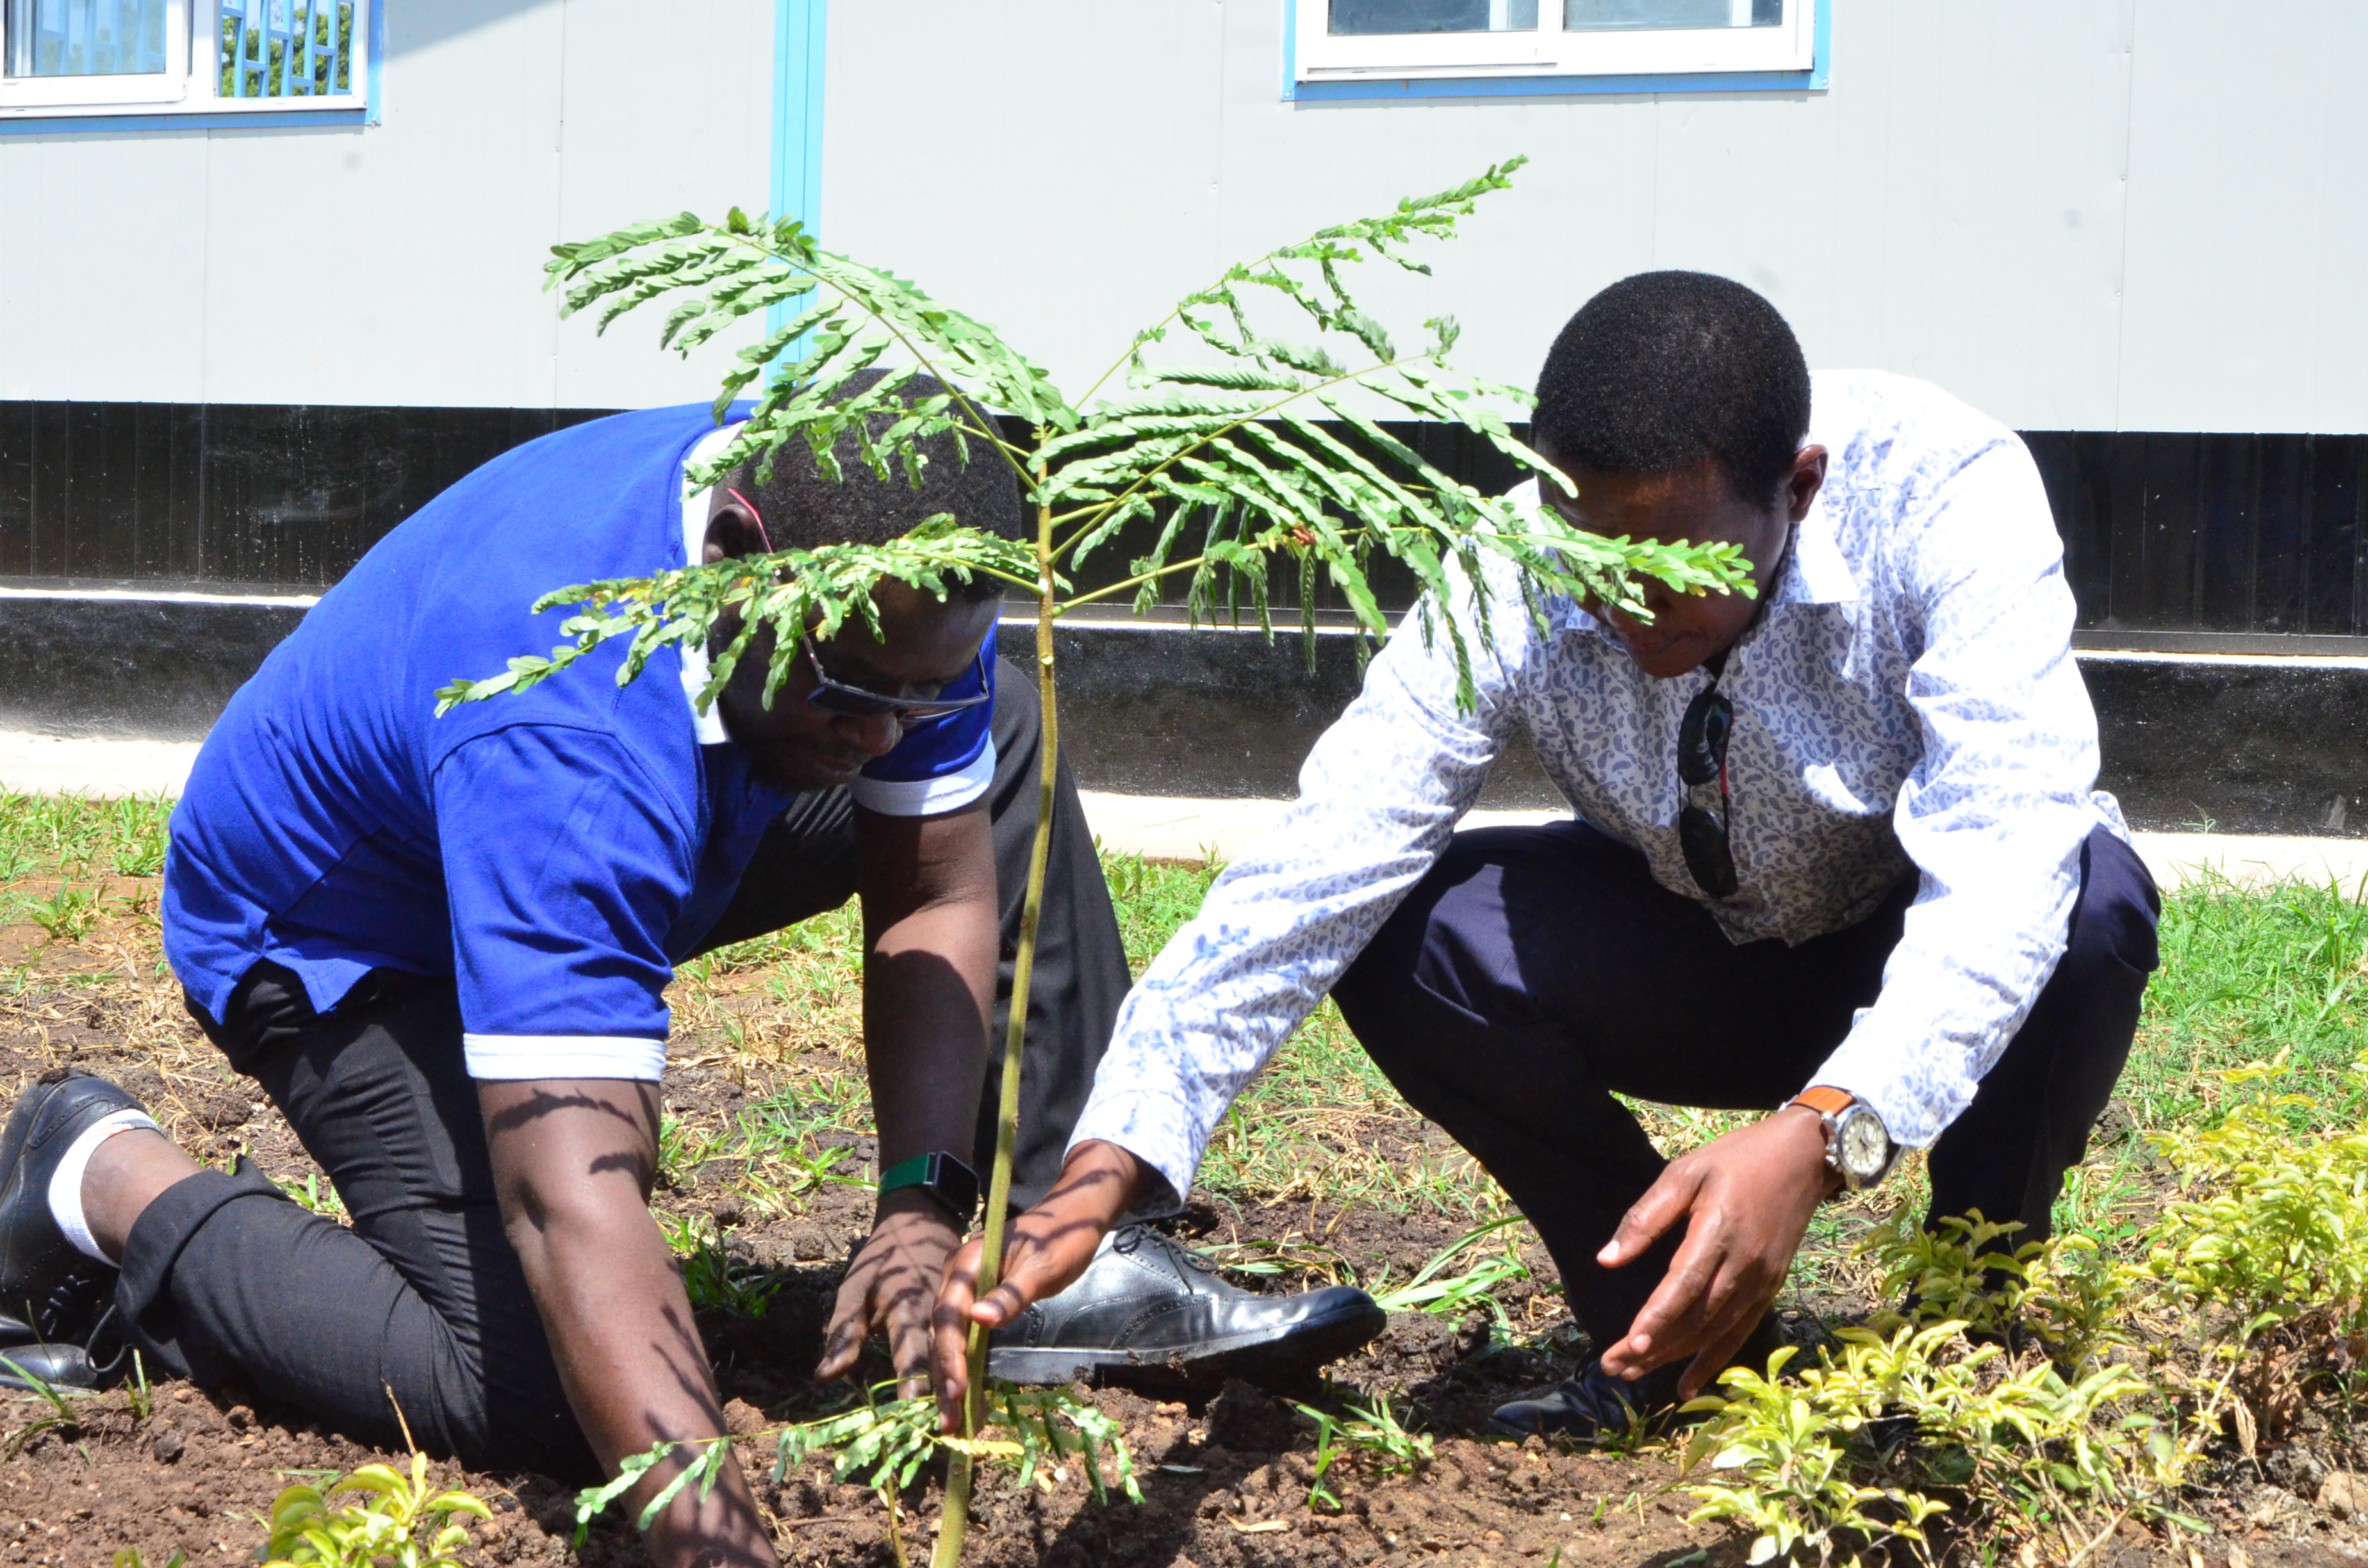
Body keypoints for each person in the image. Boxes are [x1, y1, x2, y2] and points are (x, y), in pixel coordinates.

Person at [0, 383, 1379, 1568]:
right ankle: (96, 1174)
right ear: (733, 556)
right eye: (858, 692)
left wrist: (919, 1204)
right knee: (546, 1391)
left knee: (1001, 730)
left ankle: (1037, 1260)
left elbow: (939, 887)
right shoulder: (568, 736)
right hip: (344, 933)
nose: (889, 733)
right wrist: (703, 1522)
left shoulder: (868, 573)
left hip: (682, 783)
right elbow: (568, 1200)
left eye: (914, 697)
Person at [933, 271, 2161, 1439]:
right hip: (1705, 954)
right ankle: (1673, 1347)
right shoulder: (1517, 561)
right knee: (1412, 935)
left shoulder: (1948, 495)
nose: (1627, 609)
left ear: (1799, 483)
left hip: (1919, 956)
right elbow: (1327, 854)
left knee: (2086, 902)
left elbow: (2007, 853)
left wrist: (1831, 1126)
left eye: (1677, 572)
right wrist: (1115, 1155)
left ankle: (1962, 1339)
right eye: (1599, 565)